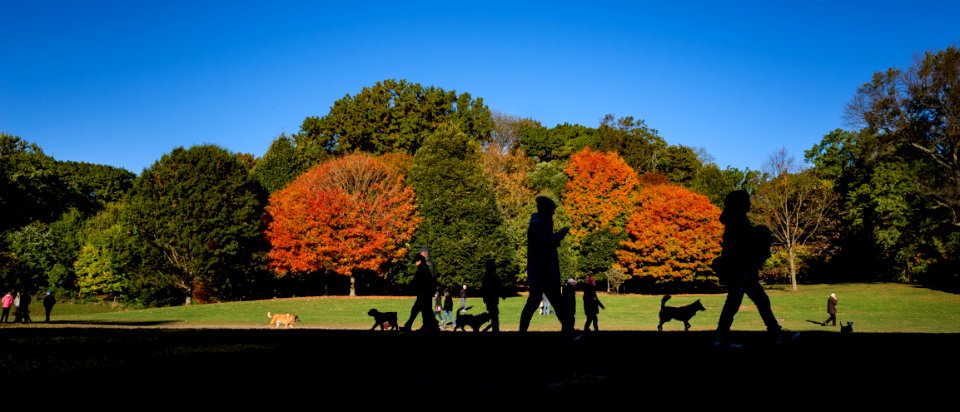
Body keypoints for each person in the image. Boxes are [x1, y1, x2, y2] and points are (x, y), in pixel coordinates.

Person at [712, 190, 797, 348]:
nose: (750, 204)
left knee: (750, 301)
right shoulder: (737, 221)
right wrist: (760, 234)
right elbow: (741, 245)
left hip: (741, 270)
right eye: (747, 201)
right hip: (741, 270)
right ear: (739, 204)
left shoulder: (735, 220)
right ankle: (775, 334)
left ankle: (722, 336)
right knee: (744, 302)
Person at [519, 196, 573, 333]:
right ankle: (568, 330)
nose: (553, 215)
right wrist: (559, 236)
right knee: (554, 303)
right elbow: (544, 244)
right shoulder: (538, 225)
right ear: (545, 210)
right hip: (543, 272)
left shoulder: (539, 224)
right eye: (551, 211)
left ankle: (522, 331)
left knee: (537, 302)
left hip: (543, 271)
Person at [402, 247, 440, 332]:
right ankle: (431, 325)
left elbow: (428, 279)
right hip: (426, 291)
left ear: (424, 253)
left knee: (422, 309)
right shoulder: (428, 263)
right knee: (424, 309)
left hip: (425, 292)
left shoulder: (427, 263)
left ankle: (430, 326)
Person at [481, 258, 506, 332]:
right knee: (494, 317)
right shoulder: (492, 275)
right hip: (492, 299)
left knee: (493, 316)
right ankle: (495, 331)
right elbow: (497, 286)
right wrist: (502, 294)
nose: (495, 266)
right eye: (494, 264)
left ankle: (494, 330)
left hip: (490, 299)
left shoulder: (487, 276)